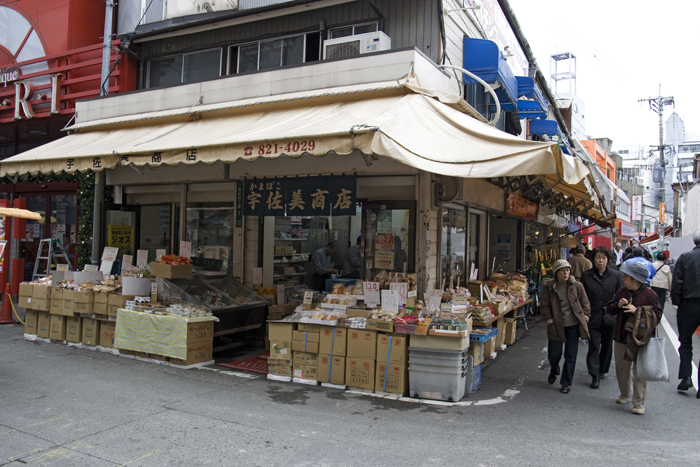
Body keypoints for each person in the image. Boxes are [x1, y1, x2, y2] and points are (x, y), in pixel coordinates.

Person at [605, 262, 663, 415]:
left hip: (640, 338)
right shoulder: (622, 291)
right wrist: (618, 304)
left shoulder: (651, 295)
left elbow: (657, 315)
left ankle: (639, 403)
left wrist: (637, 311)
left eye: (626, 277)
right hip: (621, 335)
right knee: (621, 369)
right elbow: (609, 308)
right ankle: (625, 392)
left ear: (636, 279)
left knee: (640, 371)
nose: (623, 279)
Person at [540, 259, 591, 394]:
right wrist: (549, 319)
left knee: (571, 355)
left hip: (573, 325)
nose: (566, 273)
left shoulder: (577, 286)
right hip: (556, 324)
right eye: (562, 270)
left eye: (567, 270)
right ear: (556, 272)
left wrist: (585, 315)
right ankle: (554, 369)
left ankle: (566, 383)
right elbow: (544, 304)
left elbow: (585, 302)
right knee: (554, 354)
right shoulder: (549, 287)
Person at [580, 246, 623, 389]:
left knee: (607, 345)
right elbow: (583, 296)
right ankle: (594, 374)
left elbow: (620, 294)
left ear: (608, 260)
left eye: (604, 258)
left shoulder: (615, 276)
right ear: (593, 259)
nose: (601, 261)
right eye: (598, 257)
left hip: (610, 316)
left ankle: (603, 369)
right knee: (594, 346)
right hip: (592, 316)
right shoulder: (586, 276)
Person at [671, 229, 700, 396]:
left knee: (686, 341)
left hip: (688, 304)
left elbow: (677, 283)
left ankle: (686, 377)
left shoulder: (685, 257)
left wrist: (677, 302)